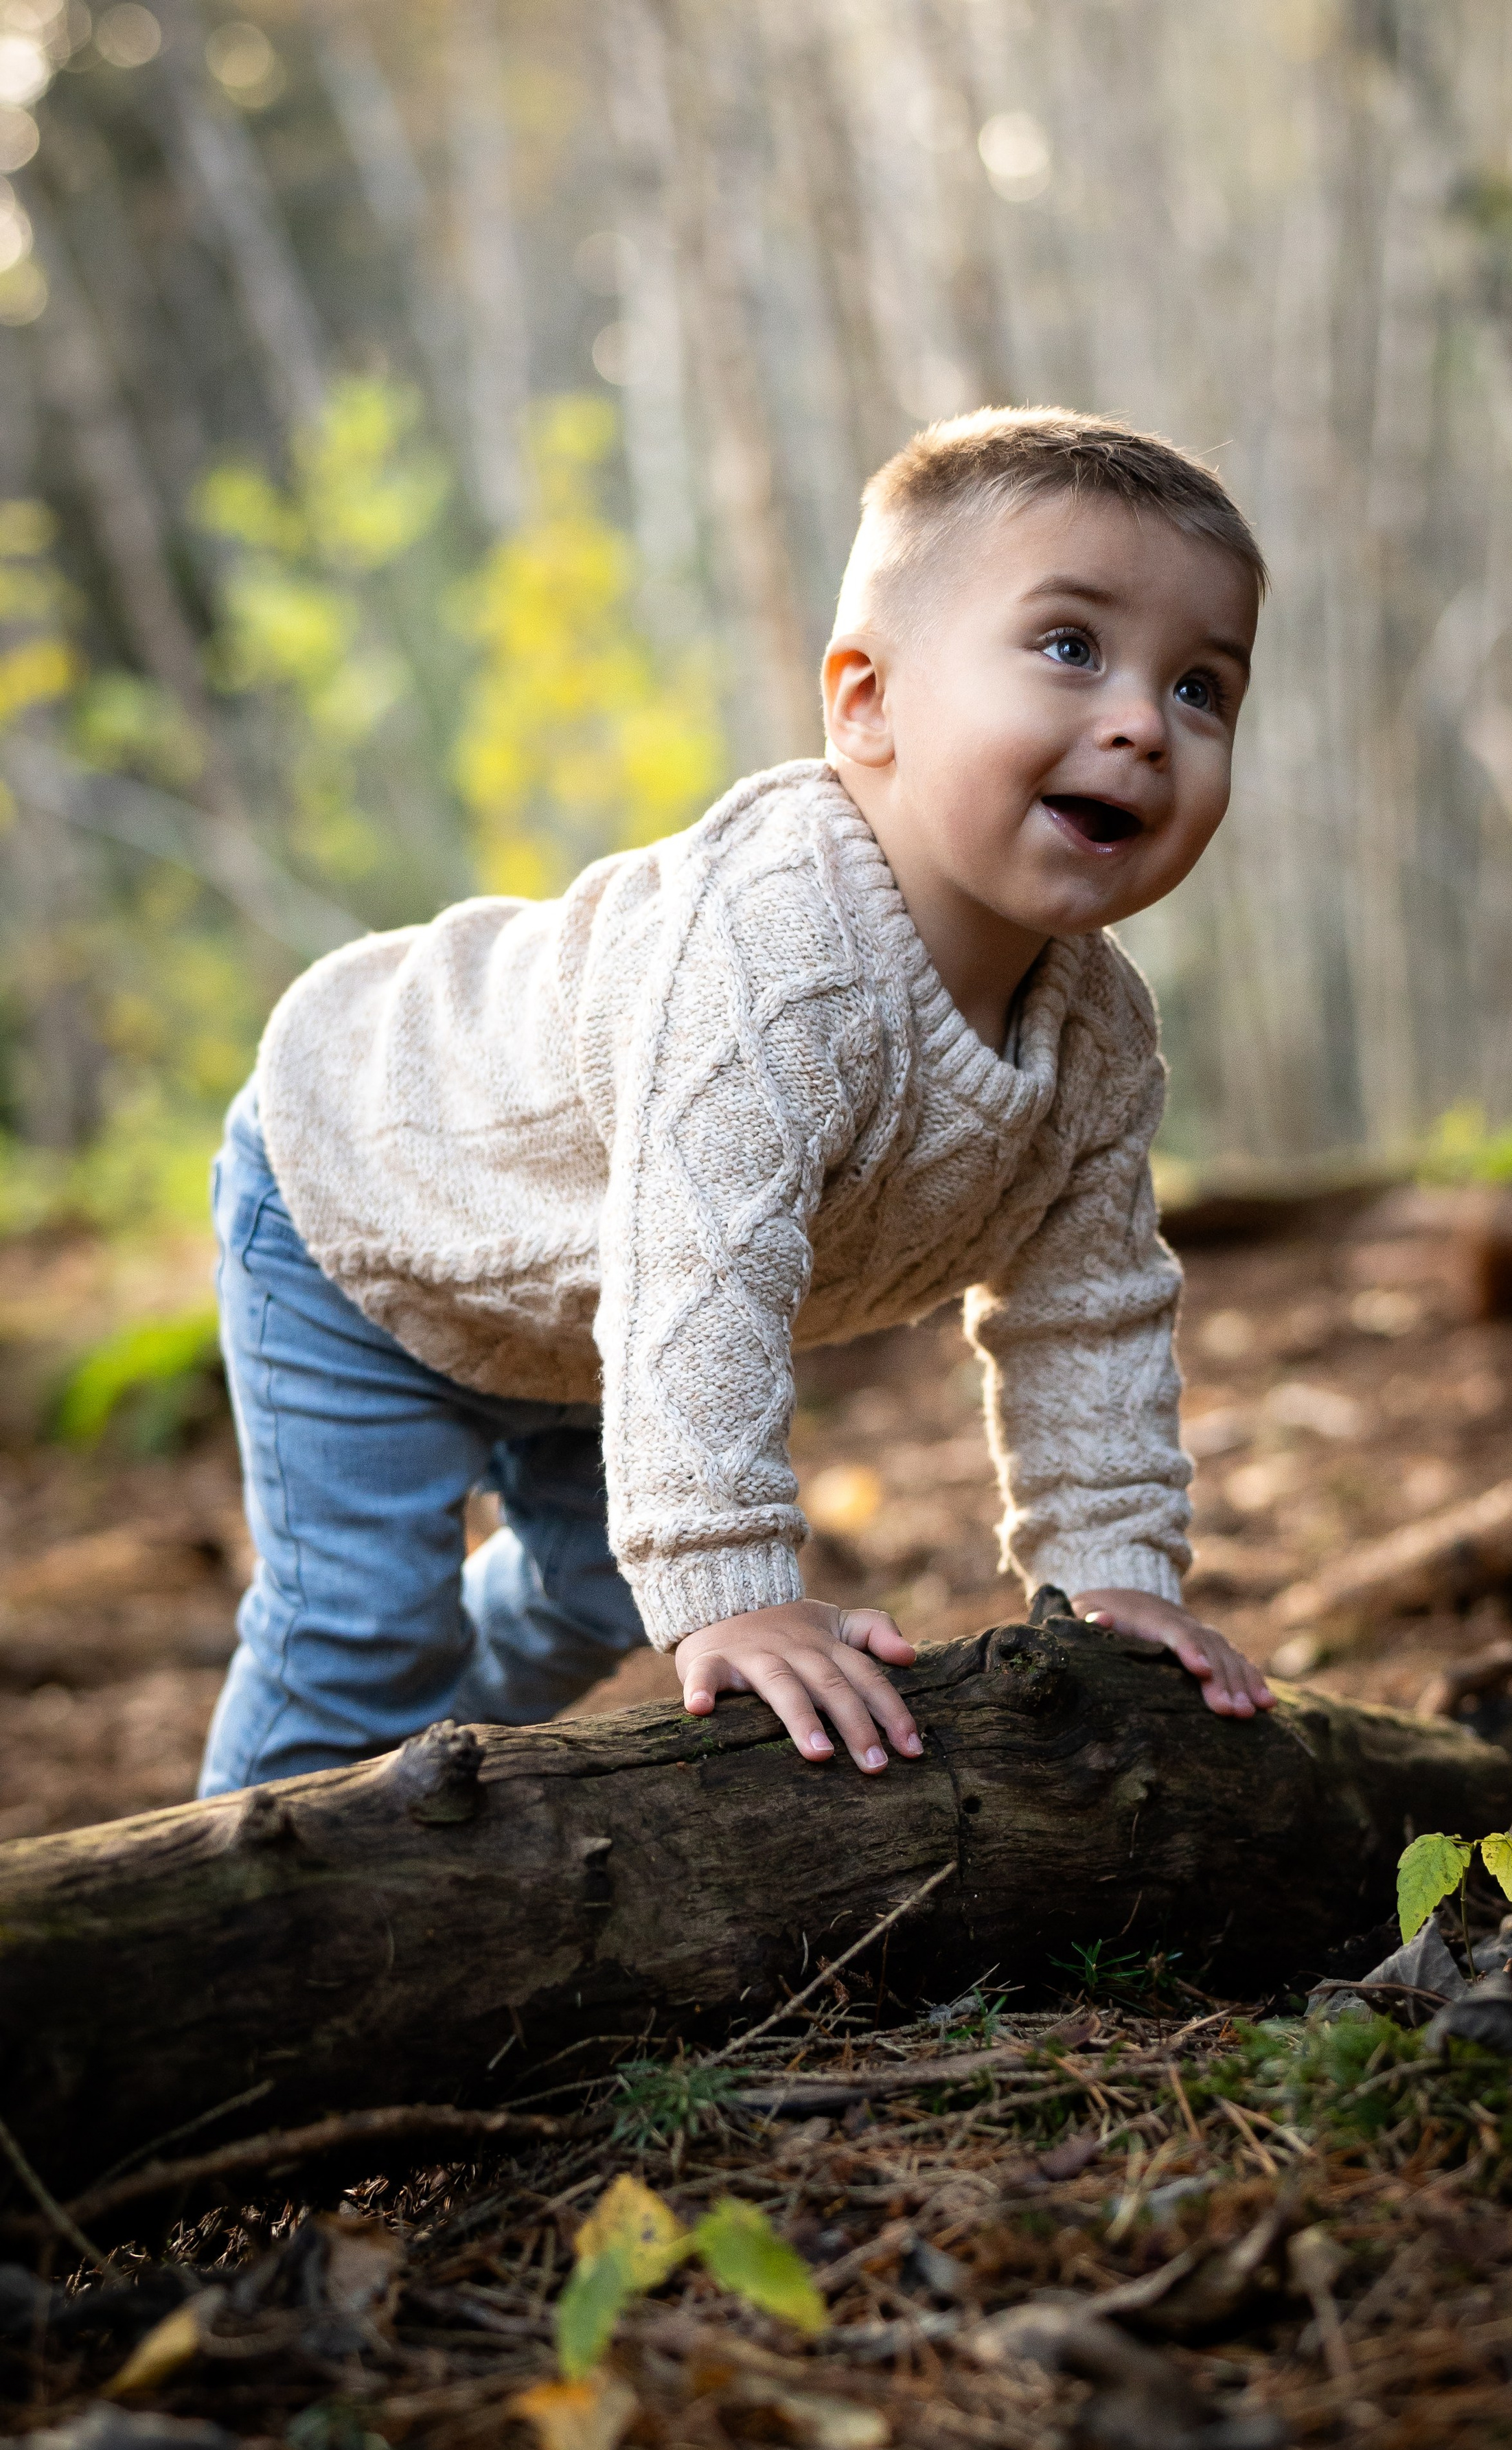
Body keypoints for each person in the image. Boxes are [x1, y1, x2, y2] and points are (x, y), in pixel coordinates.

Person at [197, 406, 1274, 1800]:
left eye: (1200, 687)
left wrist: (1112, 1571)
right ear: (866, 702)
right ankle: (245, 1881)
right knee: (359, 1636)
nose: (1141, 723)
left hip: (579, 1303)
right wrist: (731, 1586)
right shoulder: (776, 947)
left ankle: (389, 1798)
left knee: (597, 1595)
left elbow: (1088, 1307)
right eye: (1070, 647)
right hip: (362, 1187)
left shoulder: (1099, 1035)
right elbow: (703, 1261)